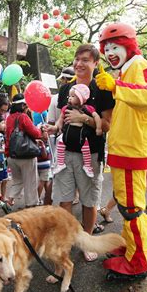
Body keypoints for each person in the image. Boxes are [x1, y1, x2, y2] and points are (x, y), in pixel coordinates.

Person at [96, 23, 147, 280]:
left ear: (129, 45)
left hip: (134, 151)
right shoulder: (126, 70)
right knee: (126, 206)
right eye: (107, 48)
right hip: (126, 150)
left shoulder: (140, 66)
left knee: (133, 209)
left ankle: (138, 262)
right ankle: (130, 249)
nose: (111, 52)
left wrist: (115, 87)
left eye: (116, 47)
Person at [50, 44, 115, 262]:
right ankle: (67, 241)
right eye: (77, 59)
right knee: (65, 200)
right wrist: (53, 128)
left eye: (85, 60)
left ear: (96, 63)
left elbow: (107, 124)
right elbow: (62, 119)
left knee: (89, 200)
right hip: (65, 154)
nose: (79, 63)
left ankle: (87, 241)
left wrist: (85, 119)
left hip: (92, 156)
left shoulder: (103, 89)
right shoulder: (65, 89)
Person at [50, 84, 102, 178]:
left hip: (81, 135)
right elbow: (61, 118)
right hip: (67, 135)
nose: (70, 98)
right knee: (60, 144)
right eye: (69, 96)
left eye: (73, 96)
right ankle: (60, 163)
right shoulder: (65, 108)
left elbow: (96, 117)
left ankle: (87, 166)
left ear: (81, 98)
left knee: (85, 148)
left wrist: (98, 128)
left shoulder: (87, 108)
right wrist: (57, 127)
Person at [5, 93, 48, 208]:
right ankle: (31, 207)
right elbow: (35, 133)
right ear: (23, 105)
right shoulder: (23, 117)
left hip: (11, 155)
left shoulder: (9, 118)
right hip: (25, 155)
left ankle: (8, 201)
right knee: (30, 183)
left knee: (18, 180)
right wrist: (40, 130)